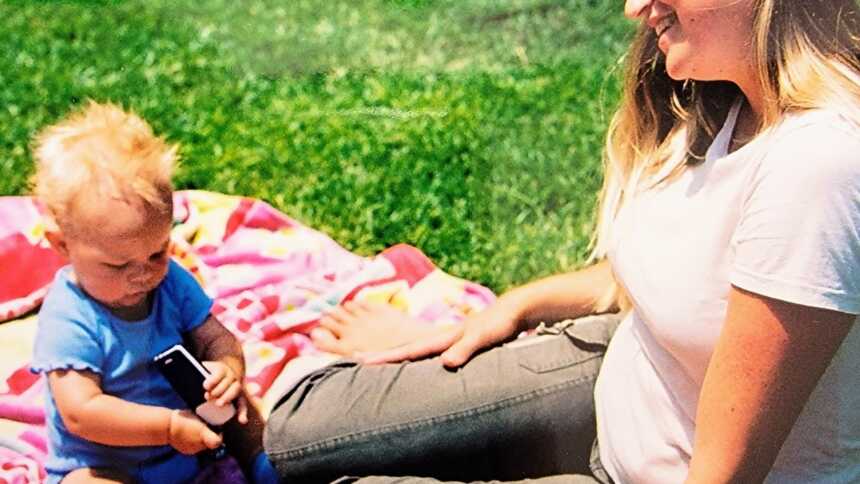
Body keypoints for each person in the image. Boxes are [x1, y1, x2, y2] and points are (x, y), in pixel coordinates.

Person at [264, 0, 860, 482]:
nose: (634, 8)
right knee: (297, 429)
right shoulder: (729, 96)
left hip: (650, 468)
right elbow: (698, 278)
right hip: (622, 374)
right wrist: (511, 310)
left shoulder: (819, 166)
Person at [29, 101, 278, 484]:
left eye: (157, 251)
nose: (142, 274)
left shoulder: (170, 280)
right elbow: (81, 412)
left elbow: (214, 336)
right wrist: (167, 428)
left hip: (197, 440)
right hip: (110, 465)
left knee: (245, 410)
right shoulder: (69, 316)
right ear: (62, 245)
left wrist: (227, 369)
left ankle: (266, 468)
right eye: (117, 265)